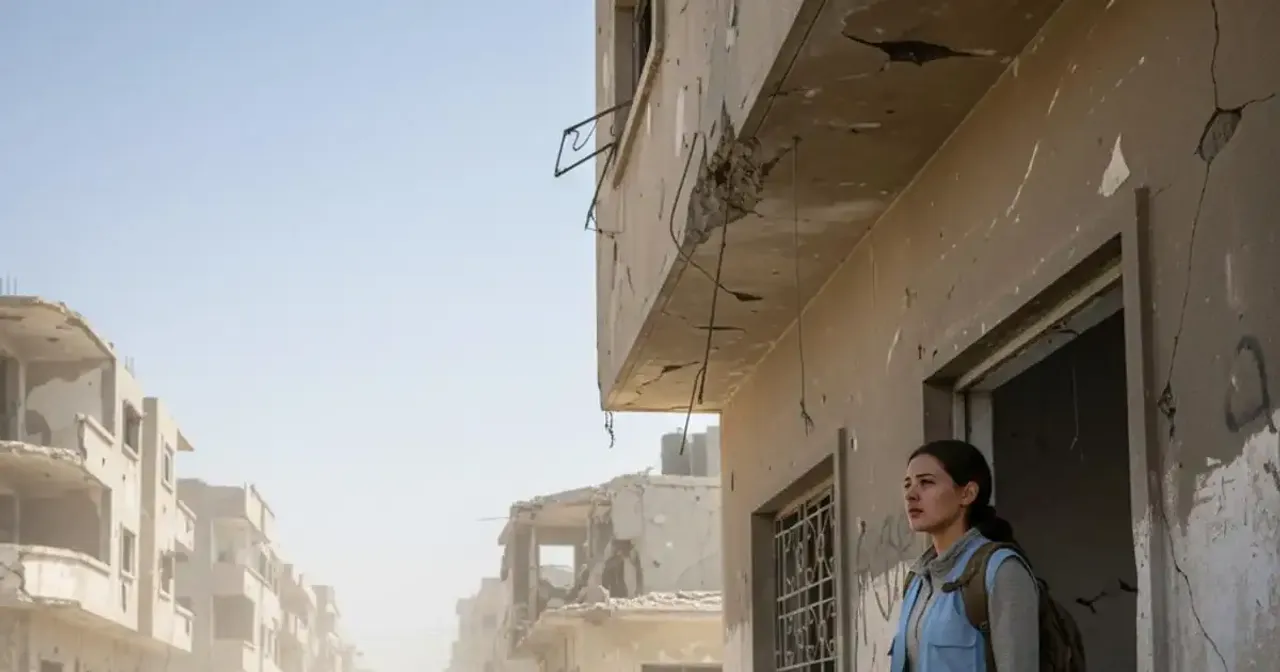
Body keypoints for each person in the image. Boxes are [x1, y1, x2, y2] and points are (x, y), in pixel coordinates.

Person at [889, 439, 1039, 672]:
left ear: (967, 493)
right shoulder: (917, 581)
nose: (911, 494)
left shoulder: (1000, 569)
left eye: (926, 482)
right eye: (907, 484)